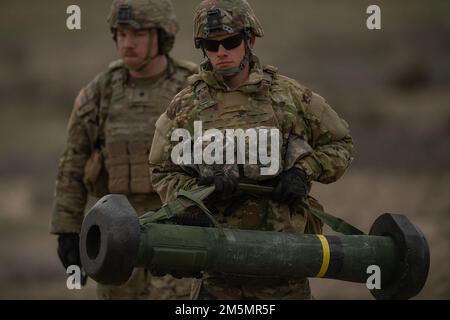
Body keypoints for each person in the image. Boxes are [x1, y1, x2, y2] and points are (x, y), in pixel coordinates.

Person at [149, 0, 353, 300]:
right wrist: (199, 192)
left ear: (250, 39)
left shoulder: (290, 97)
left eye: (230, 42)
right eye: (211, 45)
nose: (221, 52)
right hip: (217, 270)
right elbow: (161, 169)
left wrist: (302, 172)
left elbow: (340, 143)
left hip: (284, 266)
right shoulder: (186, 106)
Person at [50, 0, 197, 299]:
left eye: (138, 34)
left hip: (177, 230)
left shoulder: (192, 88)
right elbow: (73, 164)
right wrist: (67, 231)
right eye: (121, 34)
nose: (127, 43)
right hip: (116, 233)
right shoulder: (100, 92)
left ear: (161, 35)